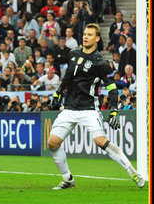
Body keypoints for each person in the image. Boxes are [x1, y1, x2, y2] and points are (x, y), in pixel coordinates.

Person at [48, 23, 145, 190]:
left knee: (100, 141)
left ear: (97, 38)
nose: (85, 36)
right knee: (52, 143)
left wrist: (114, 109)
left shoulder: (101, 62)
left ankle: (132, 172)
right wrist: (58, 94)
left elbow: (111, 86)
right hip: (70, 108)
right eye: (85, 33)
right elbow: (68, 78)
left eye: (90, 34)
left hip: (89, 109)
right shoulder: (73, 53)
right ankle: (68, 179)